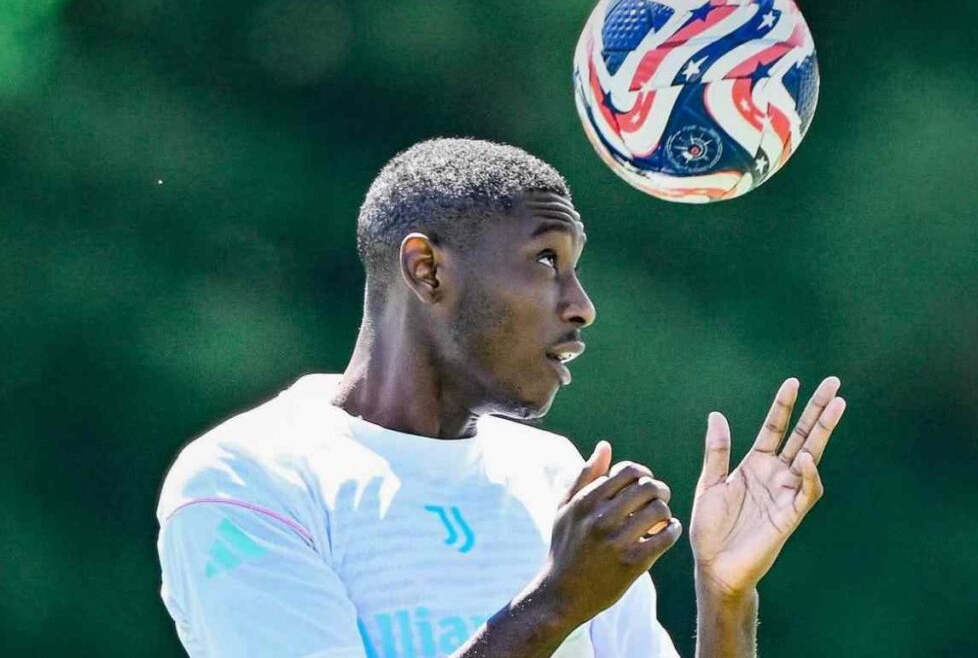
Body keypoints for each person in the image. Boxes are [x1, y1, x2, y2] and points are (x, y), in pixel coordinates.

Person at [156, 138, 847, 657]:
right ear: (426, 269)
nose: (581, 305)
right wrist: (553, 604)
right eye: (546, 260)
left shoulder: (557, 477)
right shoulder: (247, 478)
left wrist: (725, 598)